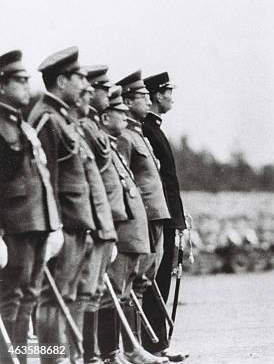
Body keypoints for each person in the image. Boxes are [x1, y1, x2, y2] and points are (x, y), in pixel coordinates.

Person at [28, 46, 97, 363]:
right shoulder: (46, 118)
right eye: (79, 78)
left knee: (67, 298)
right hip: (63, 224)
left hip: (75, 223)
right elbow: (45, 178)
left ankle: (66, 358)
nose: (86, 86)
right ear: (61, 80)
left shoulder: (61, 118)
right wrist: (52, 227)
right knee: (52, 300)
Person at [0, 50, 62, 363]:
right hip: (13, 225)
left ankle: (20, 358)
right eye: (20, 80)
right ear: (2, 85)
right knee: (12, 295)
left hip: (37, 221)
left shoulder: (21, 125)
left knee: (29, 295)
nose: (27, 85)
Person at [98, 85, 163, 364]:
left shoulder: (121, 140)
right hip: (121, 227)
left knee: (130, 289)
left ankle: (130, 350)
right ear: (105, 116)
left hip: (135, 223)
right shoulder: (121, 139)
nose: (124, 117)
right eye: (118, 111)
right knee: (112, 291)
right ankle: (108, 354)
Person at [115, 71, 173, 361]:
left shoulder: (138, 132)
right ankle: (132, 348)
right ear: (127, 100)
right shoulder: (126, 136)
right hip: (143, 217)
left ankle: (139, 348)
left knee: (143, 283)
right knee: (133, 283)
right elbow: (124, 179)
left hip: (155, 214)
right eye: (142, 96)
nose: (148, 100)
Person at [141, 72, 188, 361]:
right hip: (158, 217)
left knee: (162, 281)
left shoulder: (155, 129)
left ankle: (158, 342)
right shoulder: (147, 129)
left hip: (168, 215)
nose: (172, 95)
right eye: (169, 90)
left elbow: (169, 181)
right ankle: (153, 343)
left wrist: (180, 218)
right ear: (157, 95)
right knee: (156, 281)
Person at [75, 74, 119, 363]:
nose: (102, 93)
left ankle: (100, 355)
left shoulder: (91, 127)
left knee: (95, 292)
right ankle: (86, 356)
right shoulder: (82, 127)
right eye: (100, 89)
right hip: (86, 221)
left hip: (104, 220)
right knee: (80, 294)